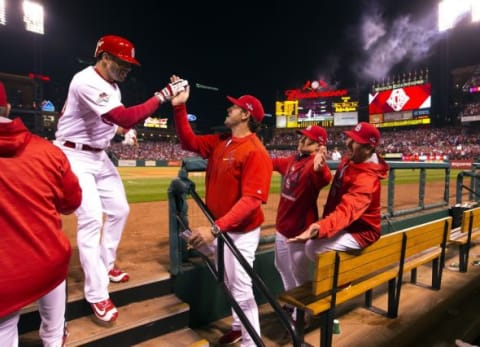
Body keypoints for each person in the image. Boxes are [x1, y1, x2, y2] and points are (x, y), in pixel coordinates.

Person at [54, 35, 188, 324]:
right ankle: (96, 293)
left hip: (98, 156)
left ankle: (106, 264)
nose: (128, 69)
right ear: (104, 58)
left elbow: (110, 122)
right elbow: (125, 117)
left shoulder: (112, 87)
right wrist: (162, 94)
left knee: (120, 210)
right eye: (122, 62)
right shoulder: (86, 80)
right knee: (91, 219)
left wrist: (121, 133)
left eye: (130, 64)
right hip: (73, 156)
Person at [170, 76, 272, 347]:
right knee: (227, 282)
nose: (229, 109)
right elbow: (188, 141)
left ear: (246, 115)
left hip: (241, 231)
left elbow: (251, 201)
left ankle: (252, 342)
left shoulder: (255, 152)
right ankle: (239, 328)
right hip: (223, 227)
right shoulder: (221, 141)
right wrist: (180, 107)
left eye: (235, 107)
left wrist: (214, 230)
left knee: (240, 286)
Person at [0, 81, 82, 346]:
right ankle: (54, 337)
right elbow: (72, 202)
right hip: (48, 264)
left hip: (5, 280)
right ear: (8, 107)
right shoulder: (47, 151)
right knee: (54, 265)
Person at [289, 122, 389, 274]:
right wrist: (321, 168)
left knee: (312, 248)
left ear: (368, 149)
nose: (348, 142)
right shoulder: (353, 159)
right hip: (346, 224)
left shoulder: (367, 180)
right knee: (314, 244)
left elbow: (346, 211)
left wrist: (321, 227)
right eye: (349, 137)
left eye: (355, 141)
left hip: (361, 231)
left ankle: (343, 279)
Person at [271, 126, 332, 315]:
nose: (301, 140)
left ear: (317, 145)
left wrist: (319, 167)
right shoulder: (291, 160)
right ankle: (292, 302)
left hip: (300, 231)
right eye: (302, 137)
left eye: (307, 139)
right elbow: (270, 162)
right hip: (282, 227)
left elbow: (324, 177)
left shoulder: (315, 165)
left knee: (300, 276)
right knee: (281, 266)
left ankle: (302, 315)